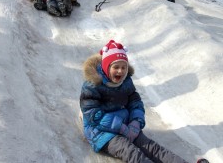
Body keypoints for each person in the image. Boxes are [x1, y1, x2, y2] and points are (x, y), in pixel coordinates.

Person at [79, 40, 210, 163]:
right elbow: (93, 115)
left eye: (123, 67)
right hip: (101, 132)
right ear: (106, 68)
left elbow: (135, 102)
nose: (120, 71)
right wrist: (121, 128)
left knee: (152, 148)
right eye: (116, 67)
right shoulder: (92, 85)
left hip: (126, 126)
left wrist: (136, 122)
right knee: (131, 152)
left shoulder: (126, 82)